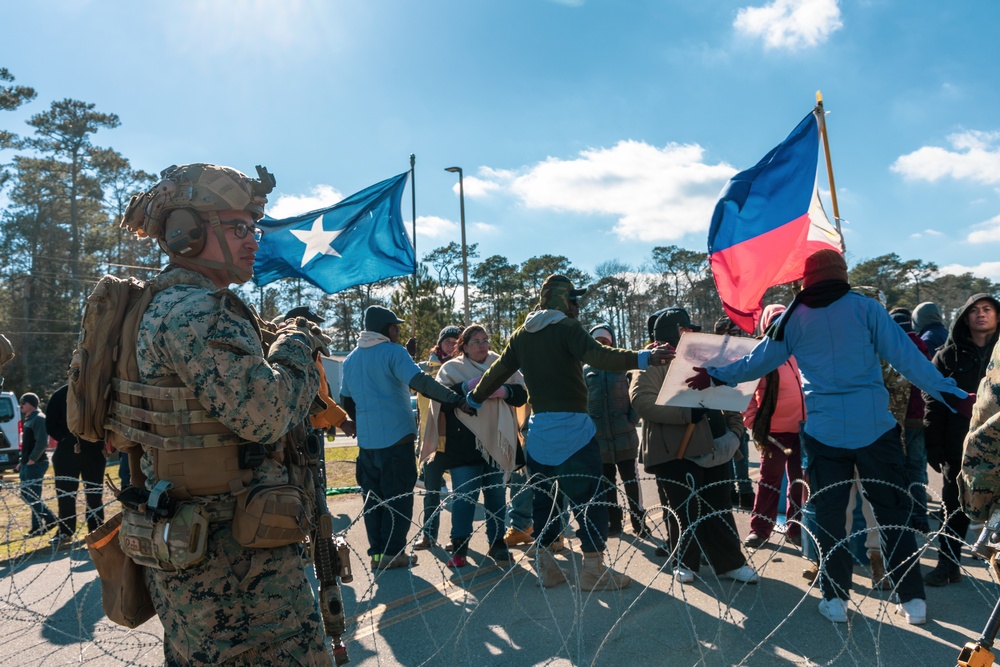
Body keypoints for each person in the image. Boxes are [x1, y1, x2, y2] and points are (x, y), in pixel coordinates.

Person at [118, 162, 332, 665]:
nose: (252, 240)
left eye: (253, 227)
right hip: (234, 563)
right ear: (186, 234)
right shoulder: (196, 310)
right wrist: (298, 344)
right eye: (237, 227)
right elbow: (267, 413)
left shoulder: (169, 303)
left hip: (196, 541)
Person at [687, 249, 966, 626]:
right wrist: (951, 393)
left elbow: (758, 361)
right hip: (875, 429)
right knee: (892, 513)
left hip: (823, 432)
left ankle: (835, 599)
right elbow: (907, 359)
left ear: (807, 279)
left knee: (830, 517)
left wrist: (717, 375)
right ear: (842, 275)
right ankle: (912, 599)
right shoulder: (866, 308)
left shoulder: (794, 316)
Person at [466, 274, 674, 591]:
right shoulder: (567, 328)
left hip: (539, 434)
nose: (577, 306)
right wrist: (643, 357)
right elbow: (600, 356)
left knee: (544, 504)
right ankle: (592, 571)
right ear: (563, 300)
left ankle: (547, 569)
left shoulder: (522, 335)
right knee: (590, 501)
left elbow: (498, 372)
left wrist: (474, 398)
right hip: (575, 432)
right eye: (574, 300)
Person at [632, 308, 758, 585]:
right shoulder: (650, 362)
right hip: (674, 452)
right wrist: (686, 415)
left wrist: (735, 432)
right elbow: (643, 402)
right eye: (687, 328)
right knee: (681, 509)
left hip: (717, 447)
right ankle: (683, 561)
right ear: (676, 332)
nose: (693, 333)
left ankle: (729, 563)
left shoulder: (706, 359)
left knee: (719, 506)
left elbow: (732, 395)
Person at [340, 306, 470, 571]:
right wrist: (455, 399)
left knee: (373, 501)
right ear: (387, 329)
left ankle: (377, 554)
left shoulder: (351, 359)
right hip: (396, 440)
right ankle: (394, 553)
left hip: (367, 445)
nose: (399, 331)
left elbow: (346, 399)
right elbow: (421, 382)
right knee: (398, 499)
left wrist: (361, 424)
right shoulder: (393, 351)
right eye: (396, 327)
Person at [422, 324, 528, 567]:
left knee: (496, 496)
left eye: (484, 340)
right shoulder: (451, 368)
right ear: (465, 346)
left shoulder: (502, 365)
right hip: (463, 447)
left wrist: (503, 391)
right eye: (476, 341)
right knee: (464, 498)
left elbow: (521, 395)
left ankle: (497, 544)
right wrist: (466, 387)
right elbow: (440, 401)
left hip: (497, 444)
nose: (482, 345)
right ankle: (459, 549)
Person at [923, 293, 1000, 587]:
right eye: (975, 310)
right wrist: (934, 444)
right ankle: (948, 565)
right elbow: (934, 402)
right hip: (961, 448)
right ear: (965, 317)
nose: (981, 314)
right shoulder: (947, 355)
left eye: (988, 309)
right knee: (954, 508)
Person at [742, 305, 805, 550]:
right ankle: (760, 530)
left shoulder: (799, 349)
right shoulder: (761, 353)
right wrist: (753, 421)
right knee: (769, 481)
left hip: (803, 429)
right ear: (767, 324)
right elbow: (747, 393)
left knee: (800, 482)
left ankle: (796, 529)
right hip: (774, 432)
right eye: (776, 320)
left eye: (785, 319)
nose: (781, 324)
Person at [585, 324, 649, 538]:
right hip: (599, 438)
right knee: (607, 483)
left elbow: (636, 396)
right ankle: (614, 521)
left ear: (611, 342)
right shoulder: (585, 370)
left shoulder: (623, 366)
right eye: (598, 341)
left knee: (631, 481)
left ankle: (639, 521)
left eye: (605, 340)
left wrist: (631, 419)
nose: (602, 344)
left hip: (625, 436)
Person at [414, 324, 463, 551]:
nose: (451, 345)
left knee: (463, 494)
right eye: (447, 341)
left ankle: (458, 538)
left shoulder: (465, 368)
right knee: (431, 492)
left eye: (456, 341)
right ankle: (429, 536)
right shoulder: (425, 369)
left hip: (460, 439)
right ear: (439, 343)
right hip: (433, 439)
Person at [46, 383, 106, 546]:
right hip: (66, 453)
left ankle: (97, 530)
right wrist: (65, 439)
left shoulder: (96, 394)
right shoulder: (60, 395)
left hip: (93, 452)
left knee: (94, 494)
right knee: (66, 495)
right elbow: (50, 424)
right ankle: (65, 531)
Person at [17, 392, 58, 537]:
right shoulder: (29, 419)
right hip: (27, 464)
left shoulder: (39, 419)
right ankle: (47, 520)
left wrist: (32, 460)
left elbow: (42, 442)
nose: (20, 405)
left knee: (33, 496)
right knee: (26, 495)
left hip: (36, 464)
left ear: (31, 404)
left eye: (23, 402)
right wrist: (22, 463)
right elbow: (28, 444)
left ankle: (41, 524)